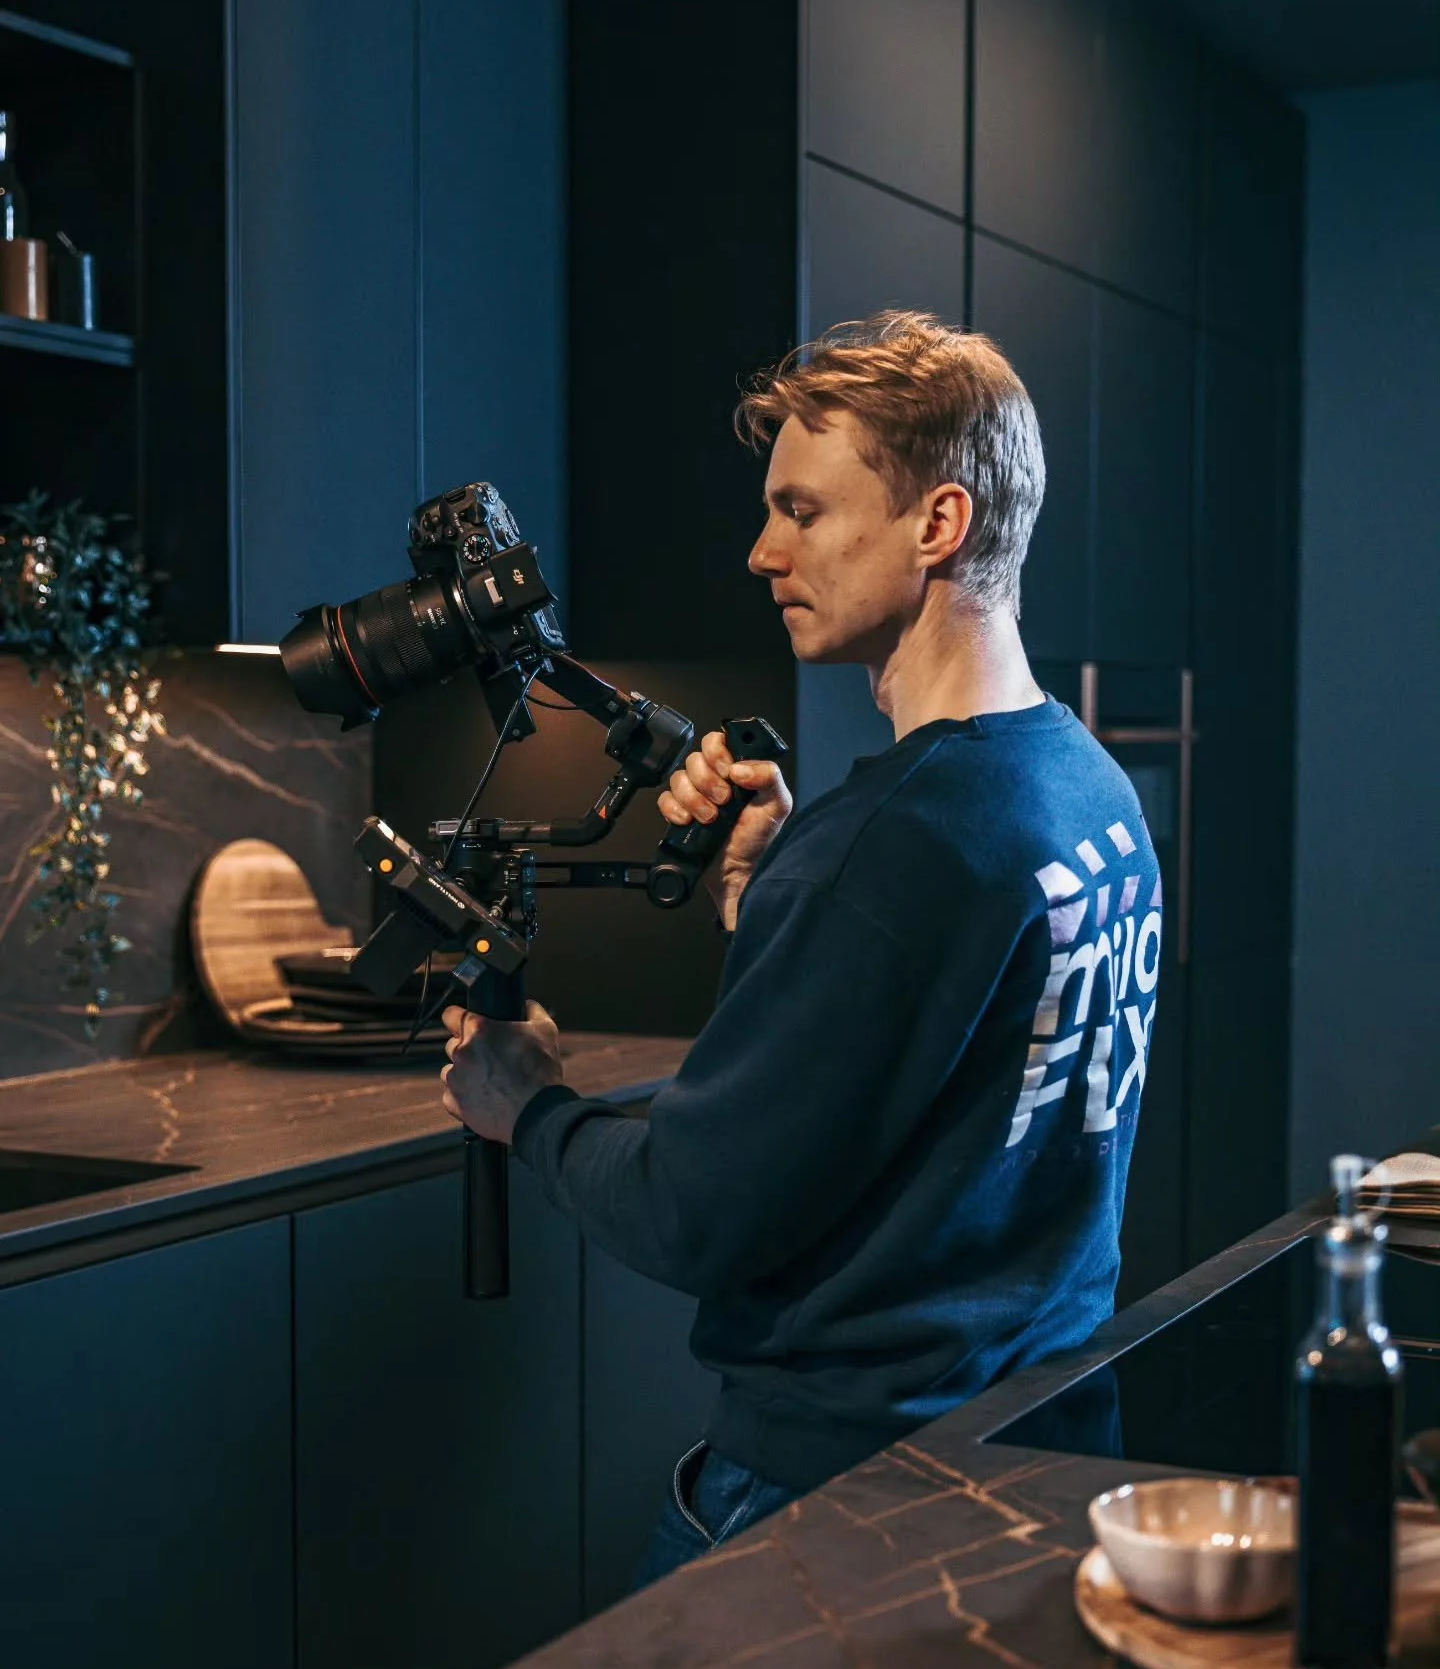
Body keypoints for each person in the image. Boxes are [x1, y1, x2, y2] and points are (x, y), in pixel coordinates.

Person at [440, 311, 1162, 1582]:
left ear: (938, 525)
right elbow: (934, 1090)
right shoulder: (1090, 791)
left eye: (803, 511)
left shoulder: (892, 845)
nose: (763, 550)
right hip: (1039, 1456)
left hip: (843, 1503)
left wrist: (528, 1104)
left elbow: (690, 1214)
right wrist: (769, 890)